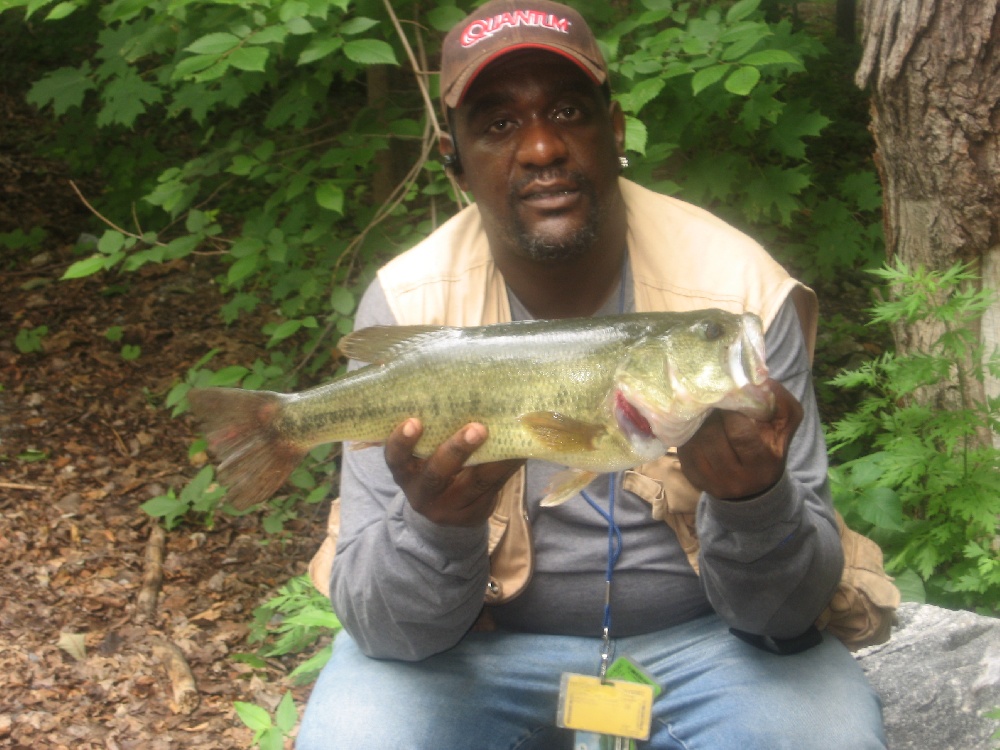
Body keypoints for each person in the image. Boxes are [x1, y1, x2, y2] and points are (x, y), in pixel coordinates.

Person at [296, 1, 887, 747]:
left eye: (569, 110)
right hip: (473, 653)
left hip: (713, 651)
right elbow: (386, 633)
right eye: (499, 124)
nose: (542, 147)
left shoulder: (738, 296)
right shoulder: (412, 305)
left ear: (614, 132)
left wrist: (754, 503)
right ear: (455, 160)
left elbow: (786, 616)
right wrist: (436, 528)